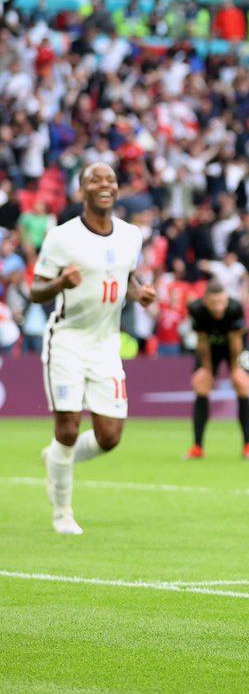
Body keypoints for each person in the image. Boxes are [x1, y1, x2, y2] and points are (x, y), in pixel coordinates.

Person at [30, 162, 155, 535]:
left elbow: (125, 277)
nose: (104, 185)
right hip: (67, 340)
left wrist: (139, 292)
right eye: (94, 180)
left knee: (109, 437)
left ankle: (55, 459)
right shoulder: (61, 237)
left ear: (117, 190)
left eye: (110, 180)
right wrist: (59, 284)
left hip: (105, 345)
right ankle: (62, 513)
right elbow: (36, 291)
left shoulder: (131, 235)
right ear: (81, 191)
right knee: (67, 429)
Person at [186, 278, 249, 461]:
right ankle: (197, 447)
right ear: (206, 302)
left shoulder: (234, 309)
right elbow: (201, 341)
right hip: (210, 347)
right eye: (214, 303)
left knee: (242, 384)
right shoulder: (196, 309)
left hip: (238, 346)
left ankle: (248, 446)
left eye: (222, 302)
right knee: (201, 384)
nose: (219, 307)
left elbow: (235, 343)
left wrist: (235, 369)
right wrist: (207, 369)